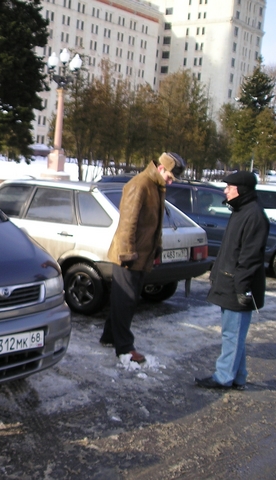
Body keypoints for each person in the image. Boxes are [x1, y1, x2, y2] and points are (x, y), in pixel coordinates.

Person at [100, 152, 186, 363]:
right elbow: (127, 224)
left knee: (124, 299)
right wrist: (128, 253)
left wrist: (156, 247)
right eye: (170, 177)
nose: (171, 181)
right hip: (129, 255)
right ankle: (124, 348)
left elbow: (153, 225)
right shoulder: (139, 185)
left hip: (141, 254)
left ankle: (109, 336)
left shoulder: (155, 185)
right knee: (126, 301)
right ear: (160, 168)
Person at [195, 171, 269, 390]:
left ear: (242, 190)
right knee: (234, 334)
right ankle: (238, 376)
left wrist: (242, 288)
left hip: (239, 286)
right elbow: (229, 250)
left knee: (232, 335)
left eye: (229, 187)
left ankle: (223, 377)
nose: (225, 190)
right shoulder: (240, 211)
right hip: (229, 282)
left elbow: (250, 257)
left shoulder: (254, 215)